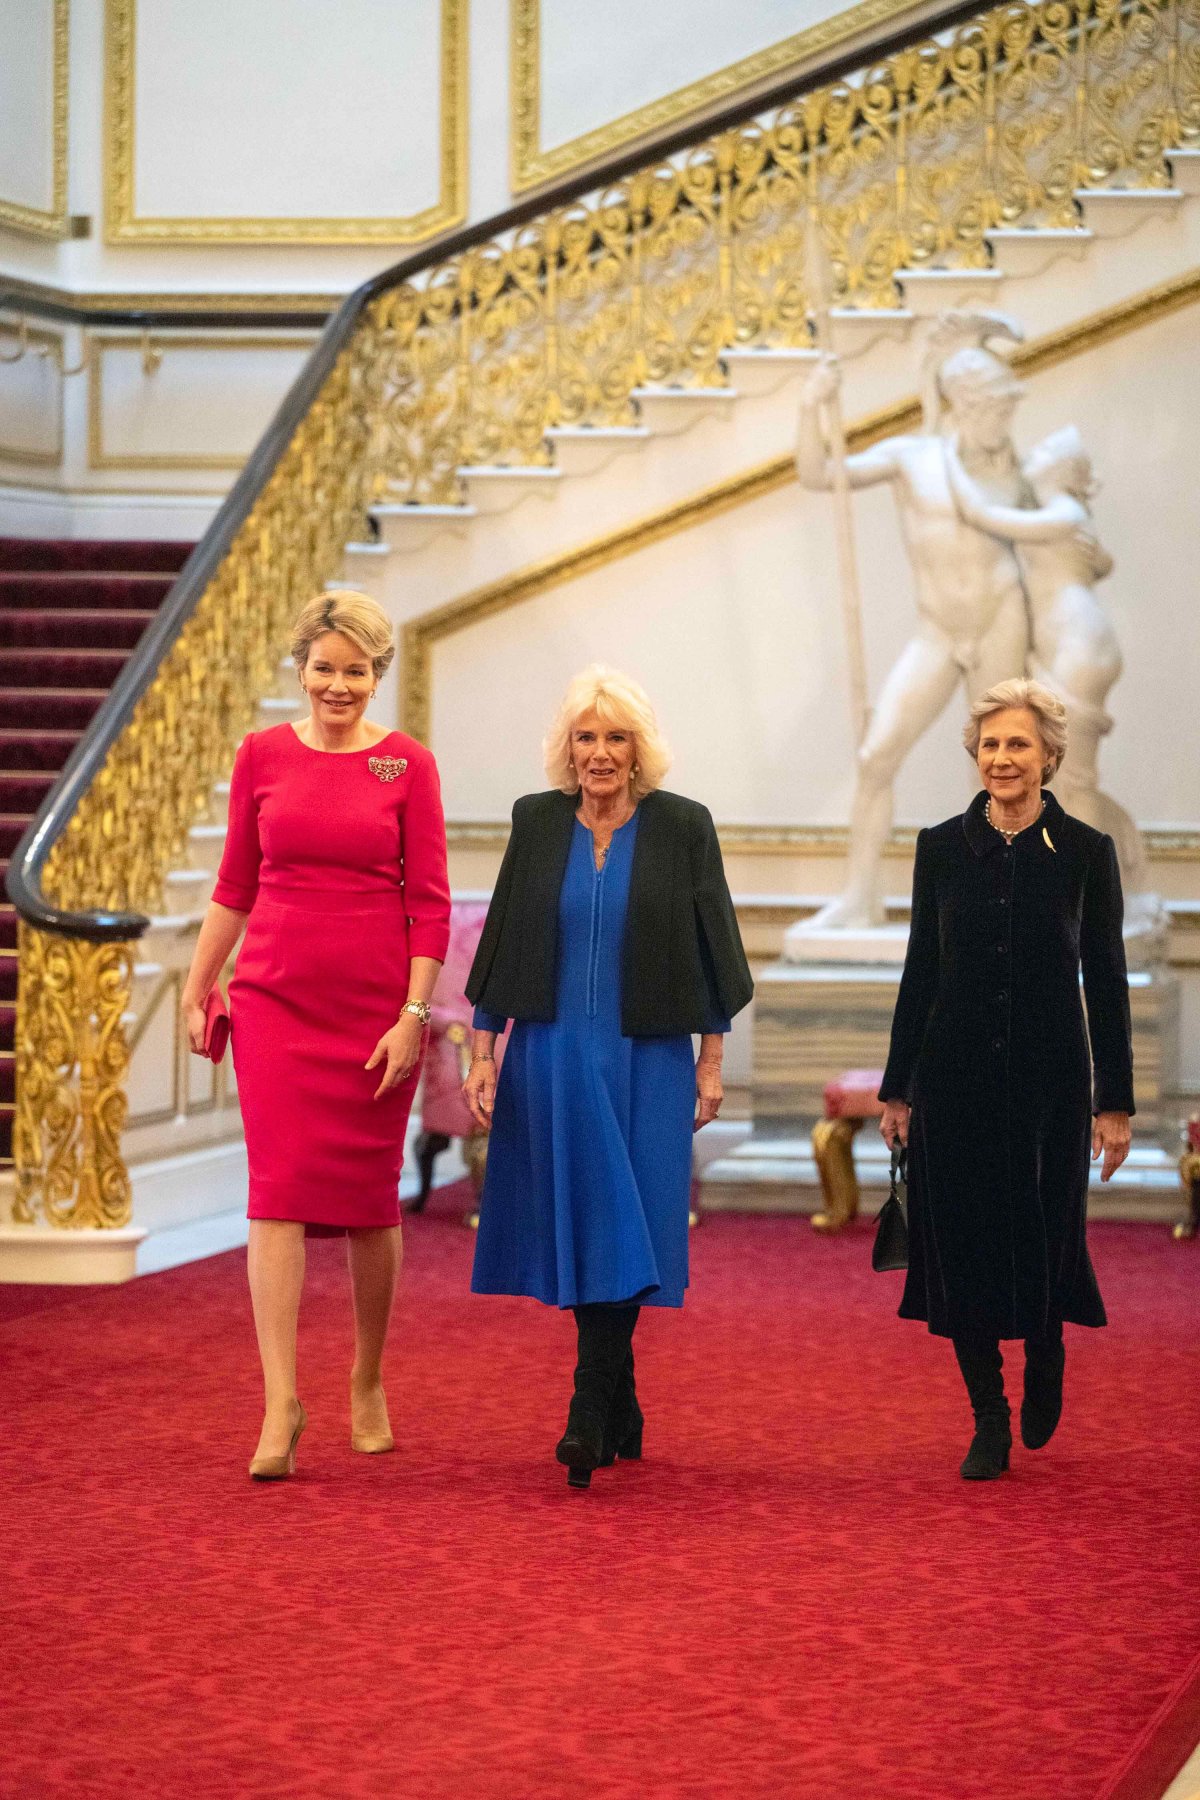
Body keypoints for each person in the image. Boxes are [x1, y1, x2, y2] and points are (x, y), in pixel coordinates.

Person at [462, 666, 753, 1489]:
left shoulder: (682, 827)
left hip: (645, 1059)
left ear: (639, 750)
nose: (600, 753)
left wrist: (712, 1057)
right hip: (551, 1054)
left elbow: (715, 942)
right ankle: (614, 1399)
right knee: (589, 1220)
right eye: (586, 738)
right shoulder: (537, 821)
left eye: (615, 737)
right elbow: (507, 934)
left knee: (625, 1223)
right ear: (568, 750)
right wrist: (484, 1049)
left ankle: (588, 1409)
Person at [182, 589, 450, 1480]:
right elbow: (234, 886)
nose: (340, 686)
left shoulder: (408, 765)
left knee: (371, 1202)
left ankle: (366, 1381)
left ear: (379, 676)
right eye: (326, 669)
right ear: (300, 668)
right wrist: (198, 983)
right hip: (275, 1002)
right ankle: (279, 1403)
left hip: (376, 1010)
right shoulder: (260, 754)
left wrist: (414, 1017)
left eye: (358, 671)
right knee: (277, 1195)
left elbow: (430, 905)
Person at [878, 677, 1133, 1480]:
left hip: (1051, 1084)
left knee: (1045, 1232)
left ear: (1049, 756)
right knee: (961, 1242)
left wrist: (1113, 1104)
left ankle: (1048, 1342)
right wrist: (898, 1087)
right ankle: (987, 1410)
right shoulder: (940, 847)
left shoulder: (1086, 854)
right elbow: (922, 968)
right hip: (952, 1079)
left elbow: (1109, 978)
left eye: (1018, 744)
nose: (1002, 758)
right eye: (990, 744)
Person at [792, 313, 1033, 931]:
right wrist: (810, 407)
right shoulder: (912, 458)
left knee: (1002, 767)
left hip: (1002, 619)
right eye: (997, 408)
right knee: (877, 755)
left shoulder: (1016, 471)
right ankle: (860, 896)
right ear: (965, 404)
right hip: (937, 631)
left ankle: (1007, 899)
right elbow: (819, 475)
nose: (1006, 420)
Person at [944, 428, 1159, 933]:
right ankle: (1118, 878)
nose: (1027, 456)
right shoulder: (1066, 519)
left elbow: (981, 514)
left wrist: (947, 460)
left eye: (1040, 451)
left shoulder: (1061, 512)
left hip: (1078, 648)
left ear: (1061, 471)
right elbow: (1100, 561)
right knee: (1070, 776)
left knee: (1073, 780)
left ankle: (1105, 900)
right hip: (1074, 643)